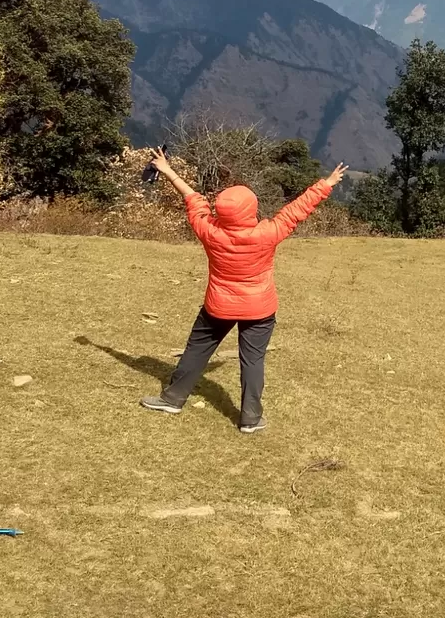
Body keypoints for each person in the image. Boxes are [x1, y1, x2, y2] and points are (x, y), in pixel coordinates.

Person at [140, 147, 348, 433]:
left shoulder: (209, 230)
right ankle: (250, 418)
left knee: (197, 351)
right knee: (252, 360)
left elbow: (192, 199)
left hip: (218, 306)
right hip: (259, 309)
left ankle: (173, 398)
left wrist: (167, 170)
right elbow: (296, 210)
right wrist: (326, 183)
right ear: (251, 209)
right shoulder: (268, 233)